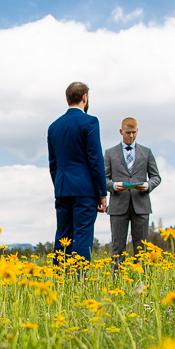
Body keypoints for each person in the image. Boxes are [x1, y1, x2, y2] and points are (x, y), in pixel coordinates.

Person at [48, 81, 108, 267]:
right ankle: (78, 281)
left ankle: (60, 280)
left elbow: (53, 164)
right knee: (82, 236)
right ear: (85, 97)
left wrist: (59, 185)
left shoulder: (53, 127)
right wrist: (102, 193)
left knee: (62, 237)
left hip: (63, 187)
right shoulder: (90, 121)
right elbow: (95, 159)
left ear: (67, 99)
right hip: (85, 190)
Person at [104, 117, 161, 262]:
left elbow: (156, 177)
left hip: (141, 206)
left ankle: (140, 281)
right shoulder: (110, 153)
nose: (131, 136)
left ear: (137, 131)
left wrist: (148, 185)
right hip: (118, 206)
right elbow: (103, 179)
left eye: (134, 133)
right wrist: (114, 186)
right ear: (121, 131)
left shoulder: (146, 152)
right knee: (117, 248)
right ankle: (117, 280)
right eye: (128, 132)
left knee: (141, 249)